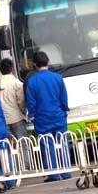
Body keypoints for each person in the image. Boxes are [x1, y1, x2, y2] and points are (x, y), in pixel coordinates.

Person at [26, 51, 71, 182]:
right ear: (48, 62)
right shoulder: (57, 78)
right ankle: (66, 171)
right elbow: (63, 97)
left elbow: (31, 102)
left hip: (42, 118)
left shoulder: (31, 82)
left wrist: (32, 115)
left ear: (34, 64)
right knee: (62, 142)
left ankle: (53, 174)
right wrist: (64, 110)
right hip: (58, 115)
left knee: (47, 145)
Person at [0, 58, 30, 170]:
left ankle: (11, 168)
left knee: (7, 146)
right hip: (17, 118)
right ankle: (25, 166)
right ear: (12, 69)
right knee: (22, 143)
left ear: (0, 70)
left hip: (3, 120)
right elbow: (21, 101)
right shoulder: (17, 83)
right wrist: (24, 112)